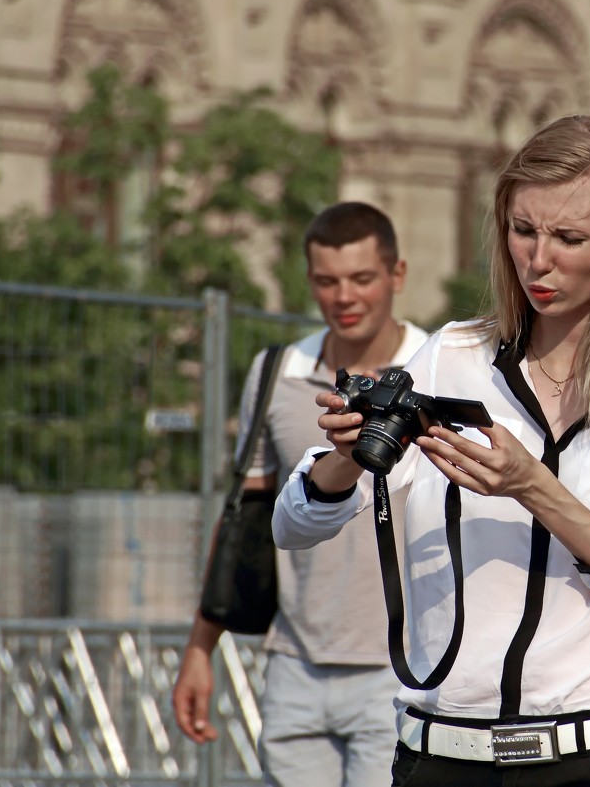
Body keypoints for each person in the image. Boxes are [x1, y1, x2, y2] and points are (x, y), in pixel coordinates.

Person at [272, 115, 590, 786]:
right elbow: (292, 526)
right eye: (522, 230)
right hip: (439, 755)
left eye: (568, 237)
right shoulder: (452, 355)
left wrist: (534, 487)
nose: (538, 259)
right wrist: (346, 457)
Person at [172, 201, 430, 787]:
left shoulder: (441, 367)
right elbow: (244, 515)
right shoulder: (276, 373)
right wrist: (198, 648)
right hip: (294, 664)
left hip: (406, 666)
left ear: (396, 275)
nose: (344, 296)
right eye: (327, 281)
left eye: (362, 278)